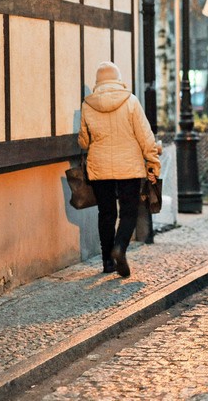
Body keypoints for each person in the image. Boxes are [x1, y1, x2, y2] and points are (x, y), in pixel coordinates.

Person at [78, 62, 160, 277]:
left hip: (100, 167)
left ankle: (107, 261)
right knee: (128, 212)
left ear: (98, 82)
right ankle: (120, 248)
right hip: (129, 167)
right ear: (118, 79)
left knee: (105, 213)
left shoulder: (87, 105)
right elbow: (145, 136)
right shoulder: (131, 101)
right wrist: (153, 163)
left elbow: (84, 142)